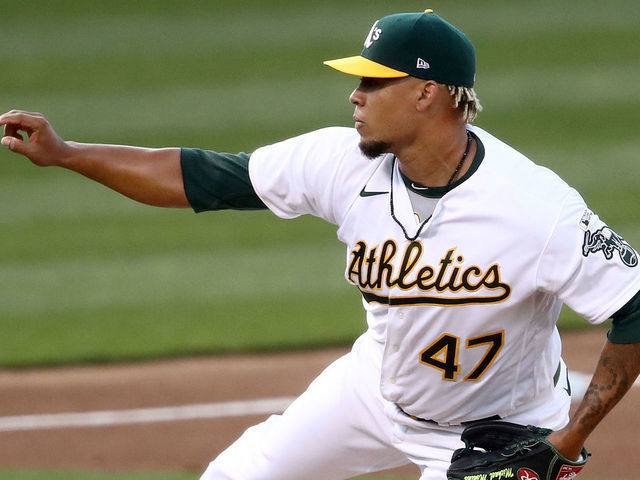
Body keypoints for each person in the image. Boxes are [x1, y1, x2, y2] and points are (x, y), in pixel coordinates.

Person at [2, 9, 639, 480]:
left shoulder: (536, 209)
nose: (354, 96)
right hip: (375, 391)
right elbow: (199, 177)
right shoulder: (340, 161)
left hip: (500, 429)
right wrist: (66, 154)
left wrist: (568, 439)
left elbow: (635, 304)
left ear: (427, 94)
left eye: (372, 83)